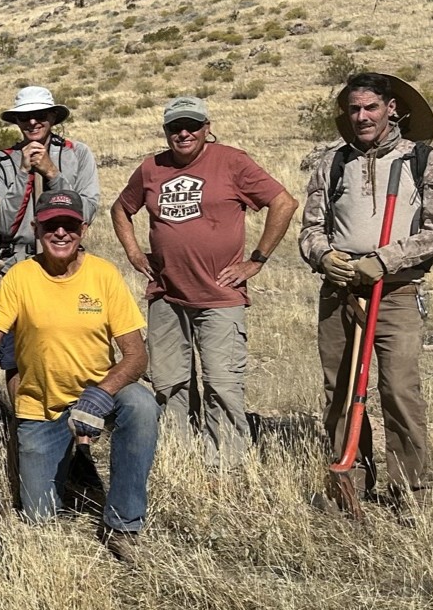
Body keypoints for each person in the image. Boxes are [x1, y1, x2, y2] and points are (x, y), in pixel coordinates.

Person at [0, 191, 156, 561]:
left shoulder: (104, 274)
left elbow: (136, 356)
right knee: (40, 523)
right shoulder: (21, 277)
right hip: (41, 406)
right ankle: (72, 462)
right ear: (37, 229)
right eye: (51, 225)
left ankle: (123, 524)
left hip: (98, 395)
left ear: (83, 229)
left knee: (142, 406)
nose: (61, 233)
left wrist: (103, 393)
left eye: (70, 224)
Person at [110, 97, 298, 468]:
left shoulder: (232, 161)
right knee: (169, 383)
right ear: (165, 132)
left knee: (222, 384)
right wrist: (134, 253)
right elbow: (120, 209)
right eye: (175, 127)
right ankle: (181, 456)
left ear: (206, 128)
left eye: (192, 126)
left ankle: (224, 463)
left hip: (220, 296)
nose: (183, 133)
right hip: (167, 294)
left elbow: (284, 203)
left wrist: (255, 261)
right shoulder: (151, 168)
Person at [299, 73, 433, 511]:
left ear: (391, 108)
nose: (361, 116)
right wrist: (324, 256)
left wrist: (384, 260)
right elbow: (311, 227)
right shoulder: (332, 162)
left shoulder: (421, 160)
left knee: (399, 389)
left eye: (370, 107)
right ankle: (353, 483)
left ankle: (411, 491)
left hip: (397, 290)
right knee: (341, 389)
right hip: (340, 290)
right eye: (353, 109)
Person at [0, 87, 101, 261]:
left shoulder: (78, 154)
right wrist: (24, 173)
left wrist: (53, 173)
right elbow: (3, 225)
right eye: (25, 116)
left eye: (40, 115)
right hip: (15, 263)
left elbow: (86, 214)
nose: (32, 122)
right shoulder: (1, 161)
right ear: (16, 120)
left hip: (65, 259)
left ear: (53, 116)